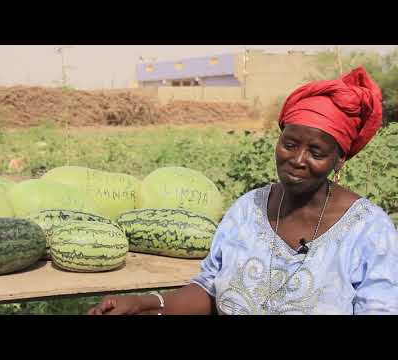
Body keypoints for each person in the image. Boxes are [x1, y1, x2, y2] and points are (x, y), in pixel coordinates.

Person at [88, 67, 398, 315]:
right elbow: (209, 289)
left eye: (316, 152)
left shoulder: (369, 231)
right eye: (289, 145)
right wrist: (144, 302)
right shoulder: (248, 210)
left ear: (339, 157)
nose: (298, 160)